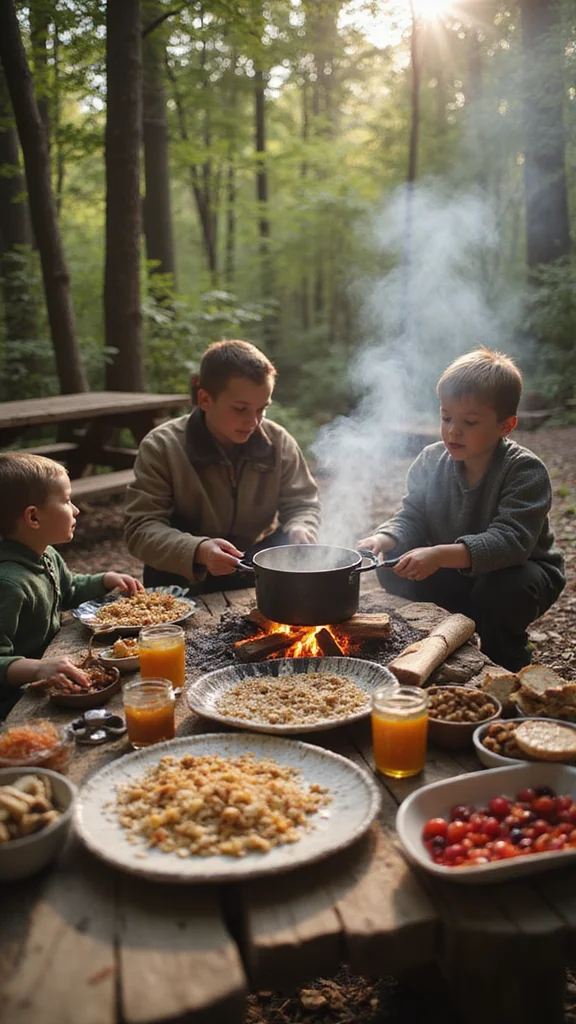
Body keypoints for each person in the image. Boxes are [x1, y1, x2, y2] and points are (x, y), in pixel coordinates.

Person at [358, 347, 565, 671]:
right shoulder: (430, 459)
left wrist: (439, 555)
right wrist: (385, 537)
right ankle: (448, 633)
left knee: (502, 591)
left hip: (520, 573)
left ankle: (506, 658)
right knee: (394, 562)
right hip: (460, 571)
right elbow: (413, 515)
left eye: (469, 422)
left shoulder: (524, 470)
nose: (453, 430)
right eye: (446, 417)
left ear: (505, 426)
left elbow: (511, 542)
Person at [124, 339, 320, 590]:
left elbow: (302, 504)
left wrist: (301, 526)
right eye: (240, 409)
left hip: (252, 571)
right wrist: (198, 551)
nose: (254, 422)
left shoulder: (278, 442)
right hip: (180, 579)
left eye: (262, 409)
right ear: (205, 399)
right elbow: (140, 529)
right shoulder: (162, 446)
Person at [0, 453, 142, 718]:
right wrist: (37, 669)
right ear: (33, 518)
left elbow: (69, 590)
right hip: (13, 703)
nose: (76, 509)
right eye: (66, 501)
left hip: (51, 673)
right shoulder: (9, 584)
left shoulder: (46, 554)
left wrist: (103, 580)